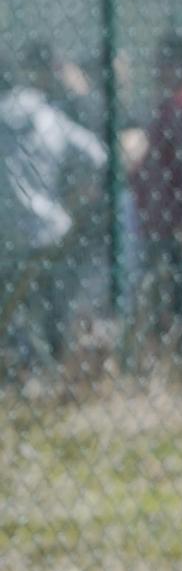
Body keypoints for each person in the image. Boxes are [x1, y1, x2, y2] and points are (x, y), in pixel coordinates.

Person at [0, 54, 106, 379]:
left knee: (17, 310)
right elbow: (97, 155)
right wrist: (74, 197)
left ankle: (30, 370)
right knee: (54, 303)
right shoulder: (50, 116)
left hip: (7, 236)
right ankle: (55, 370)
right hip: (53, 229)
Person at [127, 33, 182, 348]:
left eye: (163, 65)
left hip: (180, 221)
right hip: (162, 217)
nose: (157, 72)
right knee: (169, 292)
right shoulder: (172, 105)